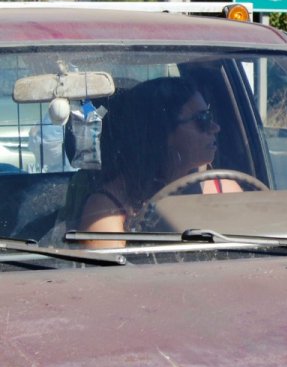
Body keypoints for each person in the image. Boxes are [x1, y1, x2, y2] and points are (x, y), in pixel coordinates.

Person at [78, 77, 241, 248]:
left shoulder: (224, 190)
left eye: (210, 115)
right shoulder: (108, 208)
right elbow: (108, 274)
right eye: (203, 119)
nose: (215, 127)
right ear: (163, 132)